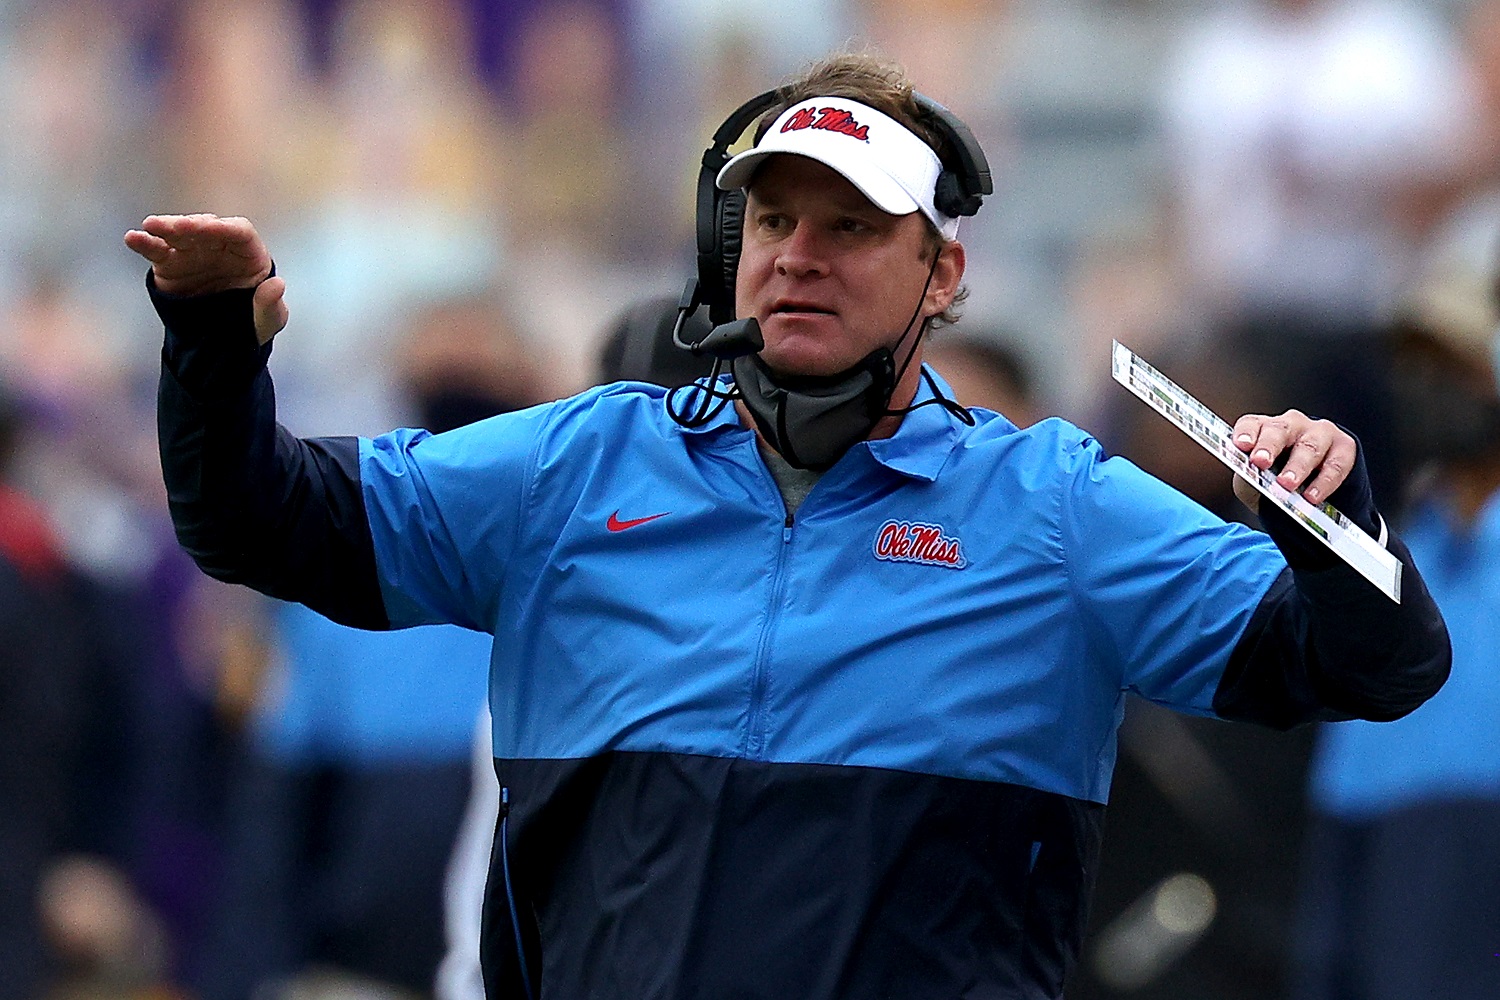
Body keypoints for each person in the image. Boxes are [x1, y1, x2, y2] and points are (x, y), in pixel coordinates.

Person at [127, 53, 1449, 1000]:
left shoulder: (1054, 504)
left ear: (944, 274)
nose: (797, 254)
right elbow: (260, 523)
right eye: (771, 219)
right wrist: (211, 342)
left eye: (850, 226)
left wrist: (1331, 528)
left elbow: (1374, 663)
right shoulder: (580, 463)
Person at [1289, 218, 1500, 1000]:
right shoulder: (1396, 552)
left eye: (1454, 365)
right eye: (1412, 367)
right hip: (1384, 874)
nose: (1426, 387)